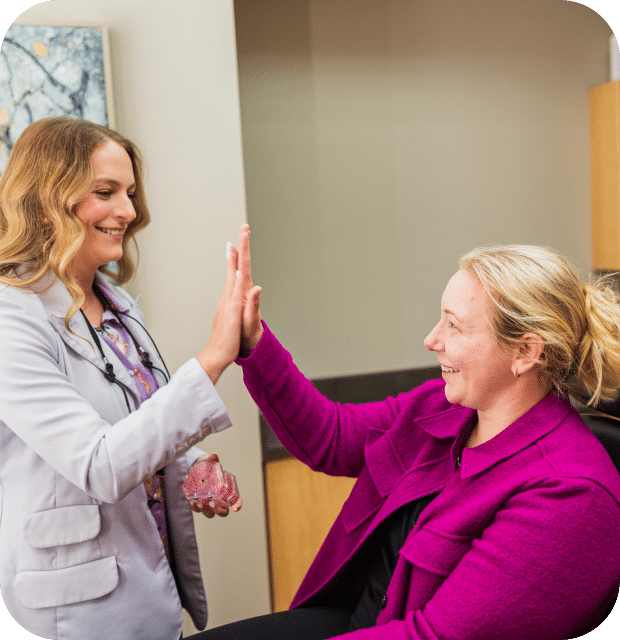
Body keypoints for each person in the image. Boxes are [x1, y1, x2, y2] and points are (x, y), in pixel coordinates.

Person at [196, 238, 620, 639]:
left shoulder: (569, 494)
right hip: (361, 620)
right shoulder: (443, 407)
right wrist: (253, 342)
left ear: (526, 352)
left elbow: (432, 635)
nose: (431, 339)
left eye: (454, 326)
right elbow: (331, 436)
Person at [0, 116, 247, 640]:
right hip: (76, 613)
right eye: (106, 192)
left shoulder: (116, 308)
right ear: (47, 199)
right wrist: (213, 359)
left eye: (130, 192)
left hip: (143, 587)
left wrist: (190, 467)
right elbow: (96, 462)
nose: (130, 212)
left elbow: (131, 423)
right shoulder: (9, 317)